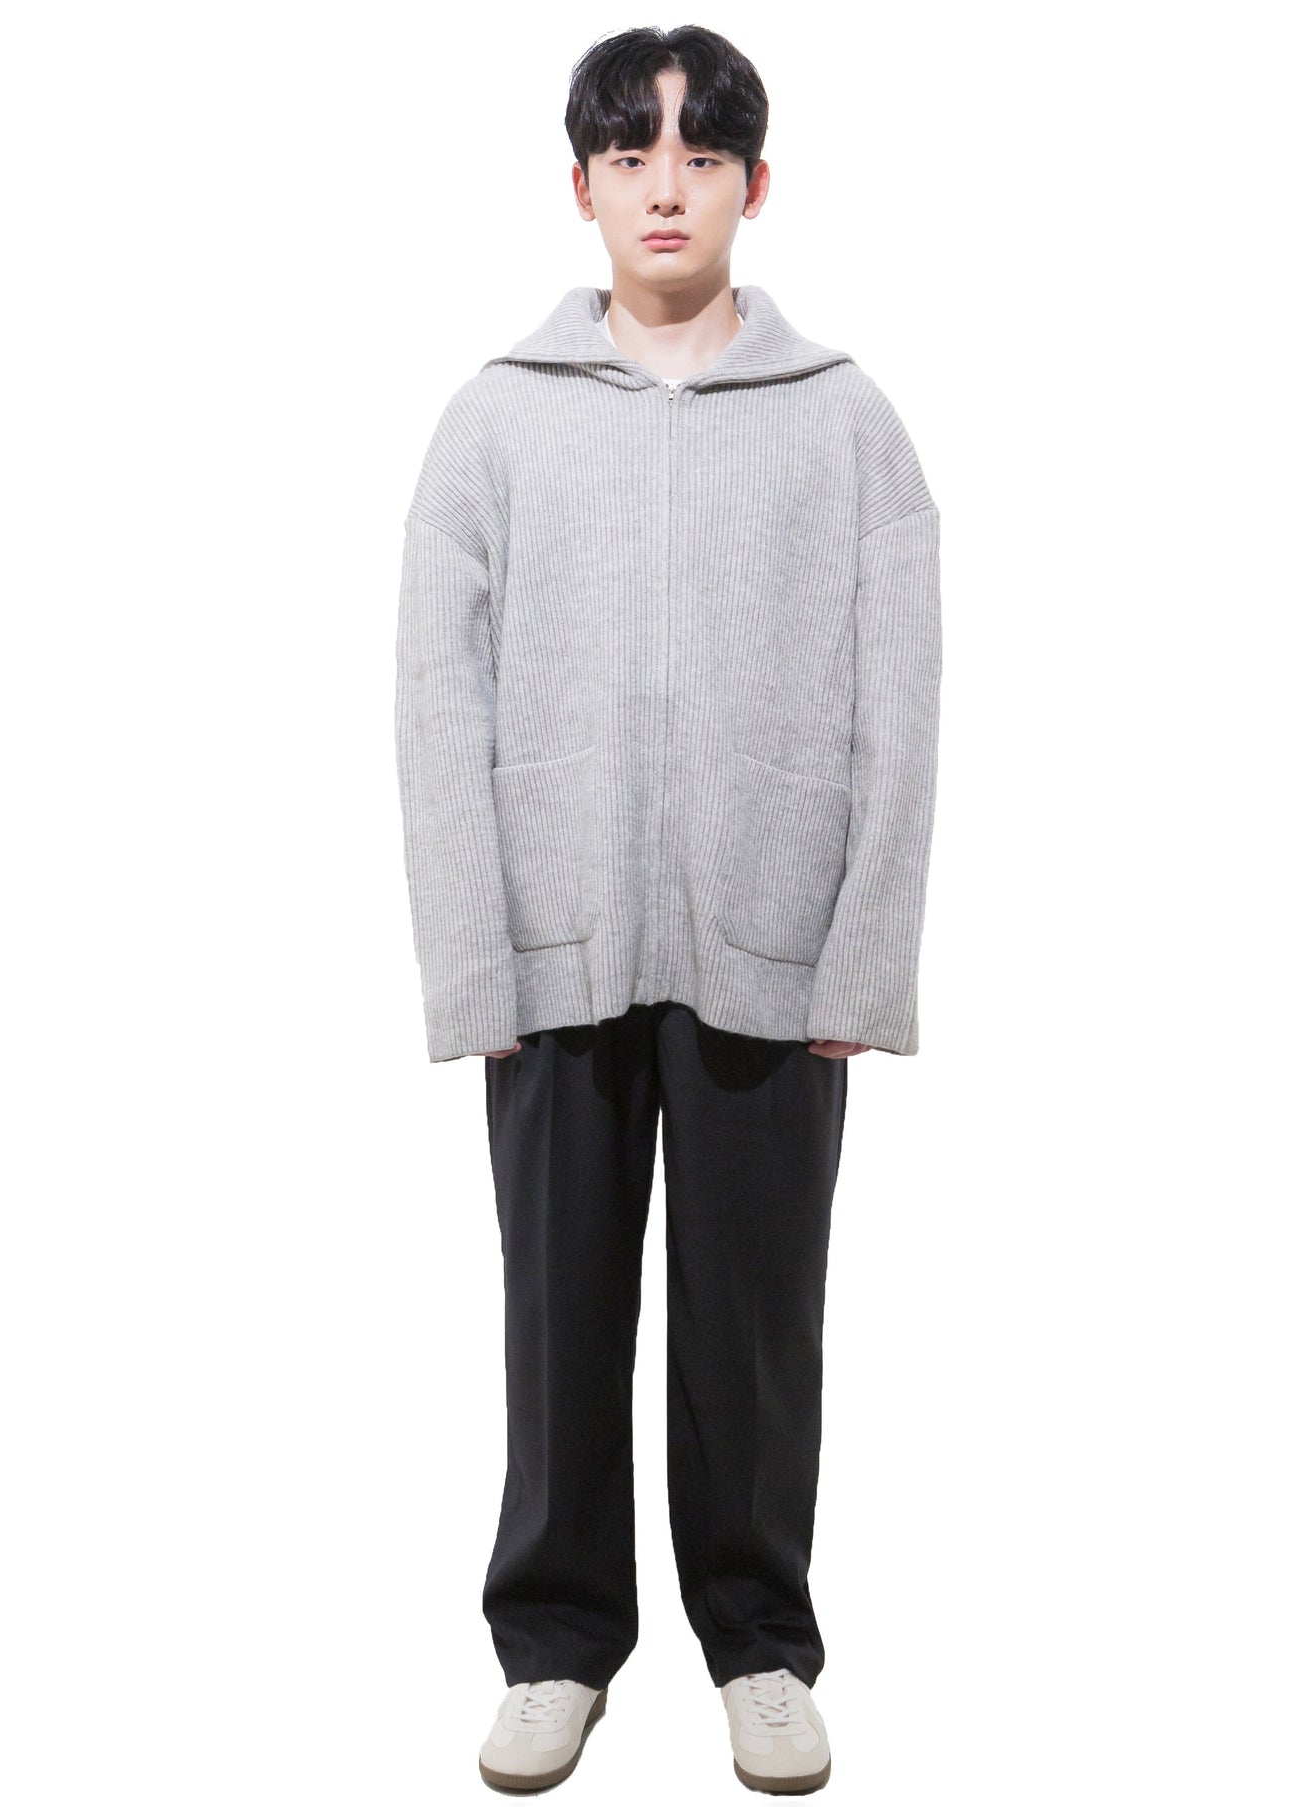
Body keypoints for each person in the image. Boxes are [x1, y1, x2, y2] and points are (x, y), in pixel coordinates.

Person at [394, 25, 942, 1795]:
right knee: (557, 1315)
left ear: (753, 186)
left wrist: (863, 959)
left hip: (771, 949)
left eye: (701, 155)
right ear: (580, 184)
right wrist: (472, 961)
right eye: (630, 153)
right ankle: (556, 1648)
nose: (663, 186)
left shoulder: (844, 422)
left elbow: (902, 705)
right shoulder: (494, 420)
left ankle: (759, 1643)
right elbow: (435, 703)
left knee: (755, 1326)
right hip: (552, 948)